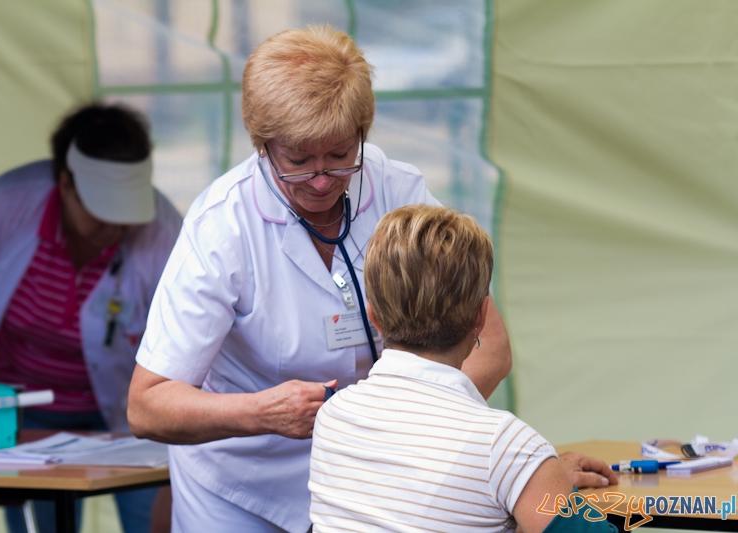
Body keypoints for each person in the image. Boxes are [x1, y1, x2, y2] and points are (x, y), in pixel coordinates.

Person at [126, 25, 613, 533]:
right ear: (262, 145)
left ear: (362, 131)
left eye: (339, 155)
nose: (320, 179)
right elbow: (147, 404)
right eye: (298, 160)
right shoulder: (221, 226)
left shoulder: (398, 189)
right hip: (244, 488)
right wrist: (261, 413)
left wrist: (455, 456)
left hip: (375, 472)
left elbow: (489, 342)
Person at [0, 103, 181, 533]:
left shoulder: (162, 231)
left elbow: (189, 334)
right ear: (65, 185)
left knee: (153, 519)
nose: (115, 227)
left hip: (128, 419)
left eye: (126, 215)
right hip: (24, 414)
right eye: (102, 212)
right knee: (40, 523)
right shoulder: (7, 203)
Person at [309, 205, 617, 532]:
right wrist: (536, 477)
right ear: (480, 318)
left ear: (374, 317)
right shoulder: (507, 446)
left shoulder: (332, 417)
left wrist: (528, 478)